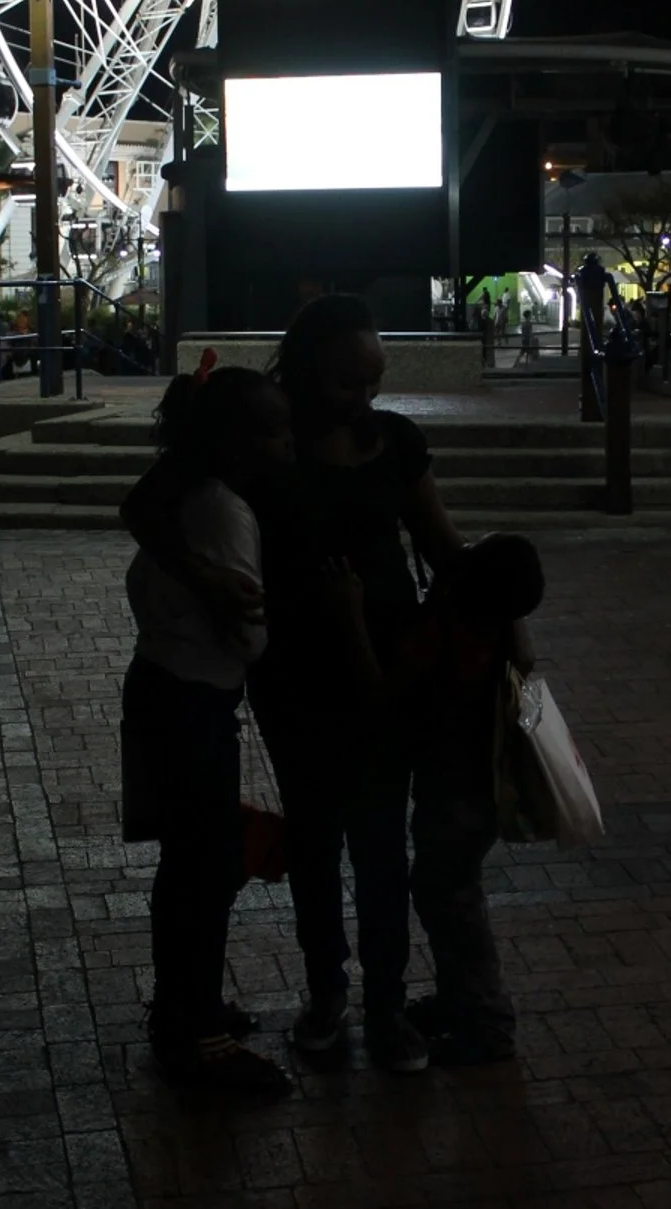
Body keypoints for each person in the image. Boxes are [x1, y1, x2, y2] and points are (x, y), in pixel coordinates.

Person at [248, 295, 466, 1074]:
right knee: (314, 835)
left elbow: (439, 541)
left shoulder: (395, 443)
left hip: (389, 663)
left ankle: (385, 1001)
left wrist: (500, 621)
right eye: (348, 383)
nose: (364, 400)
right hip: (298, 667)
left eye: (372, 384)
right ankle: (327, 991)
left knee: (379, 839)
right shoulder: (274, 450)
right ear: (306, 372)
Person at [119, 362, 296, 1093]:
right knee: (205, 867)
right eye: (275, 430)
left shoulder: (179, 496)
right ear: (242, 442)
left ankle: (185, 1007)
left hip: (161, 688)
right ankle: (196, 1033)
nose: (289, 443)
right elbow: (248, 637)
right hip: (196, 703)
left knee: (190, 865)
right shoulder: (225, 511)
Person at [328, 534, 543, 1063]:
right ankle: (460, 1001)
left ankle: (487, 1021)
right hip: (482, 789)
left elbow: (380, 692)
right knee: (452, 895)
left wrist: (351, 615)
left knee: (451, 902)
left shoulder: (445, 633)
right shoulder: (497, 631)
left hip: (450, 791)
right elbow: (527, 654)